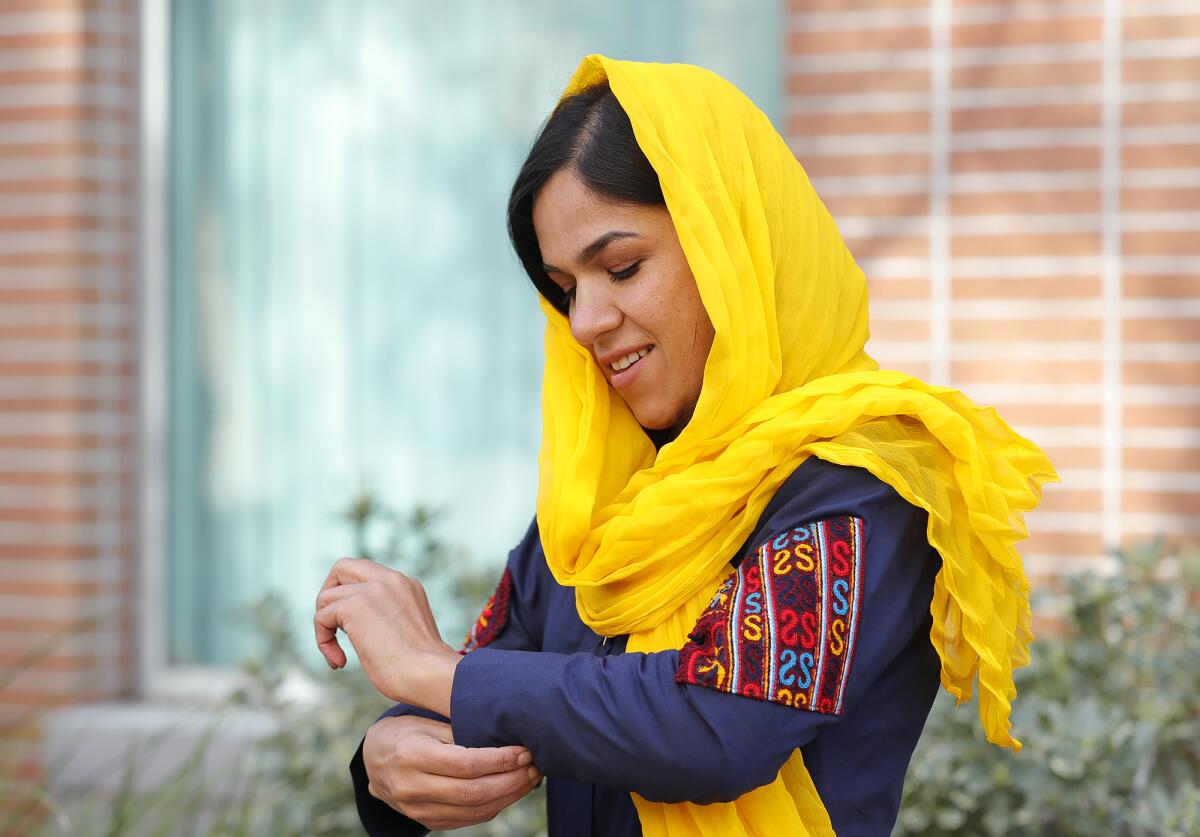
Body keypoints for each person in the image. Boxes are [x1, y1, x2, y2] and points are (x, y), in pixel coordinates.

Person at [314, 55, 1059, 836]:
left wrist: (434, 671)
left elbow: (717, 723)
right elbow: (486, 679)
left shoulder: (859, 483)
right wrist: (387, 751)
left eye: (622, 267)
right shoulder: (602, 504)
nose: (585, 321)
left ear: (731, 247)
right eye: (565, 289)